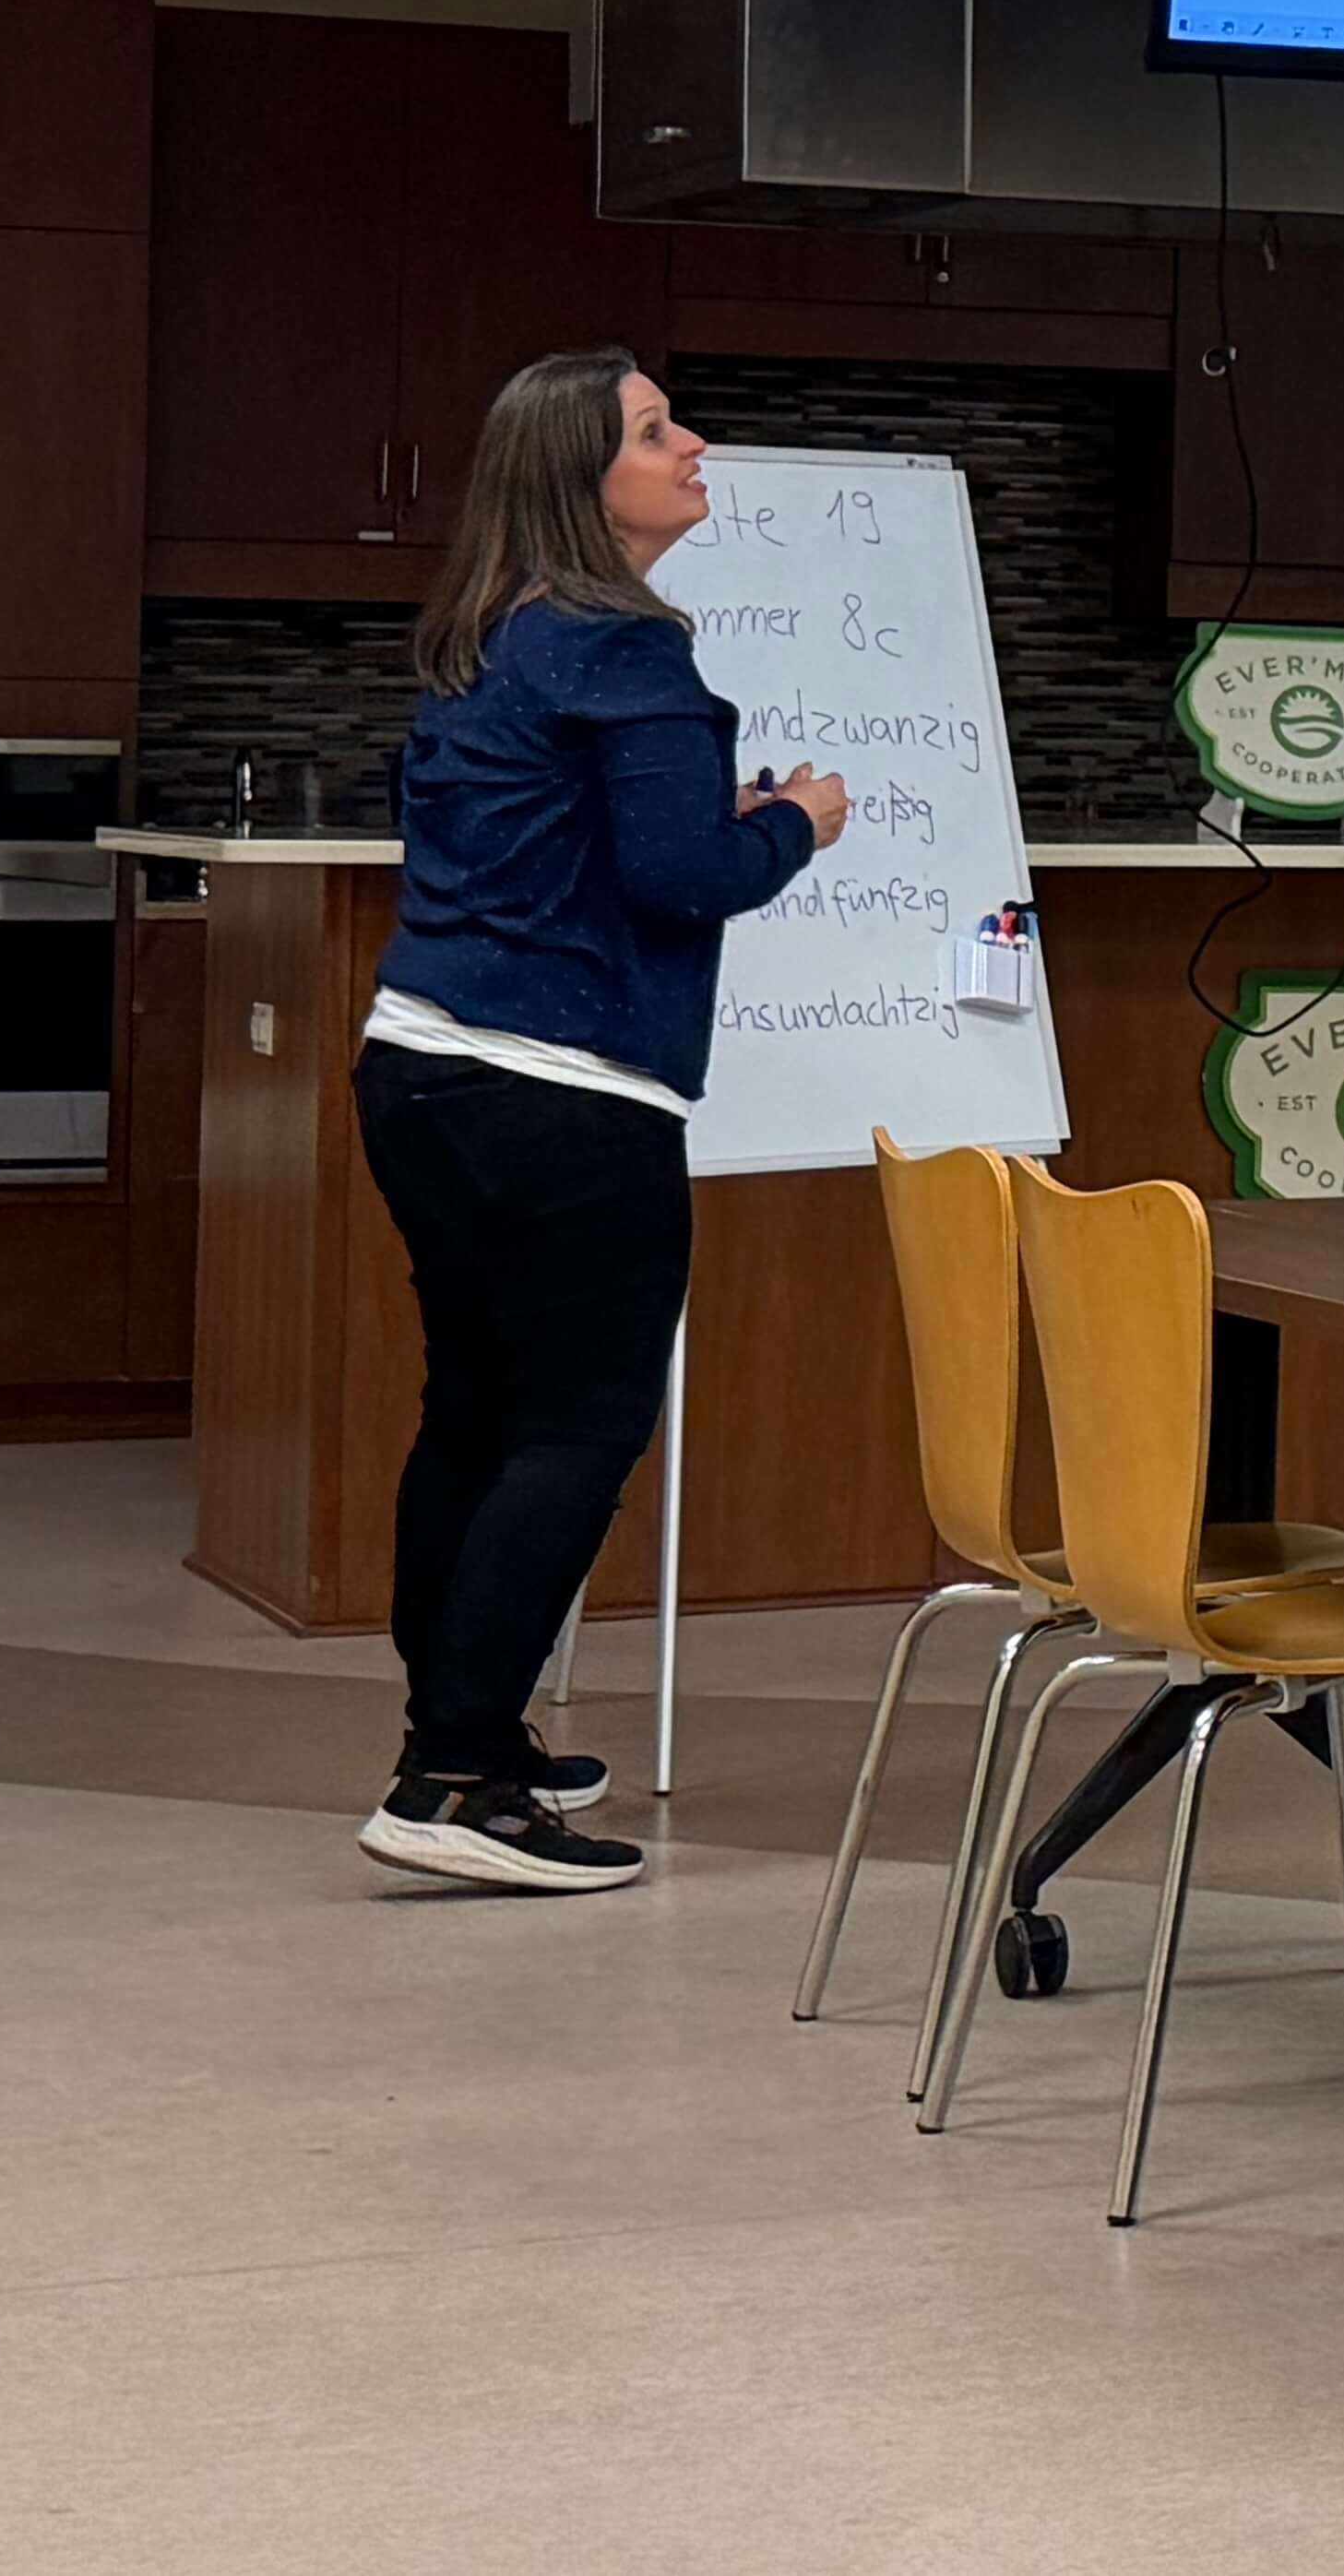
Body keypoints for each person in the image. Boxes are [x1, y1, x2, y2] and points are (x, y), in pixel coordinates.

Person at [353, 351, 847, 1894]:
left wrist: (715, 817)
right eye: (654, 431)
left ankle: (466, 1734)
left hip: (420, 1067)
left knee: (478, 1415)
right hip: (560, 1102)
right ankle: (450, 1786)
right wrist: (793, 823)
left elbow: (583, 846)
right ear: (587, 482)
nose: (692, 442)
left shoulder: (493, 635)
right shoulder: (625, 653)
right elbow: (681, 879)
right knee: (572, 1428)